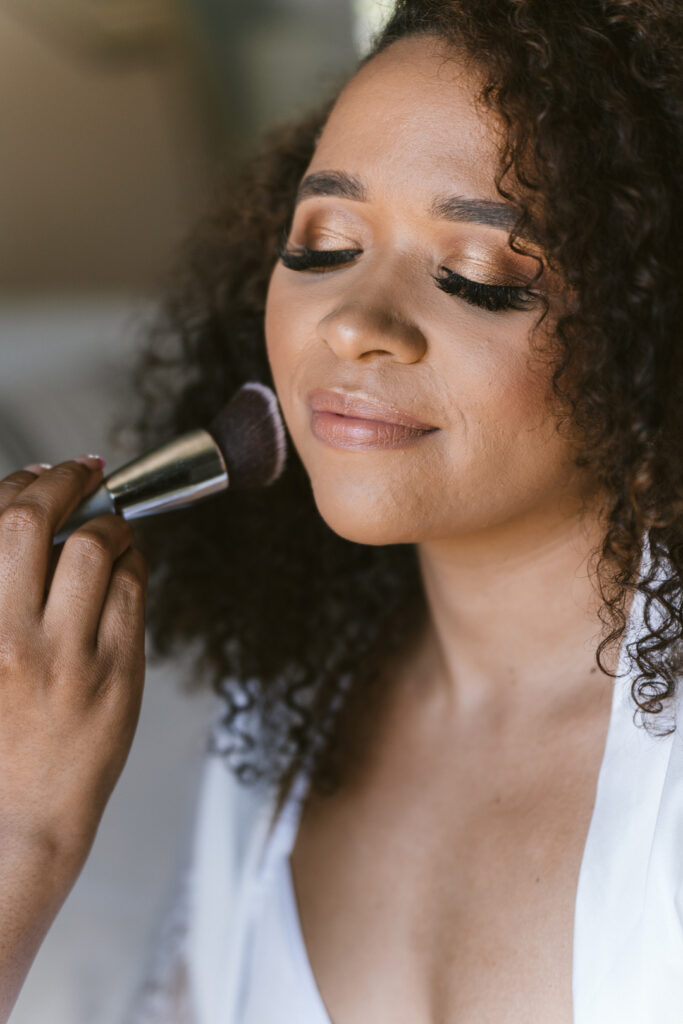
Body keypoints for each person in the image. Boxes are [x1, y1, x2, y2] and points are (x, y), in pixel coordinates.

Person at [0, 1, 679, 1022]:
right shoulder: (274, 733)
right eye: (321, 245)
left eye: (476, 274)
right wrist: (21, 837)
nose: (355, 321)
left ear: (649, 331)